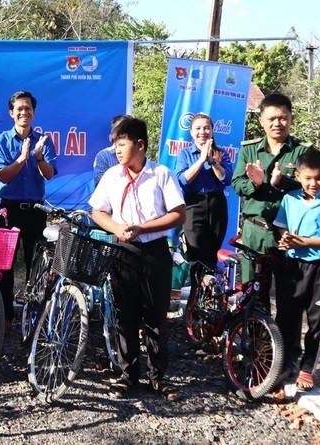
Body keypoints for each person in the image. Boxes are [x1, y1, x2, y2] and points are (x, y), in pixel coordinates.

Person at [89, 117, 186, 400]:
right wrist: (117, 228)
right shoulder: (112, 176)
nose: (117, 151)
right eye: (115, 146)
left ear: (140, 145)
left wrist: (144, 228)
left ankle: (158, 377)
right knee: (124, 314)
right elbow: (97, 211)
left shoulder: (161, 174)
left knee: (156, 315)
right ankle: (127, 375)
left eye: (122, 144)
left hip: (155, 251)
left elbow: (178, 213)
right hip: (122, 251)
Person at [273, 149, 320, 391]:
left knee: (316, 320)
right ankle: (283, 364)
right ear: (298, 176)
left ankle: (307, 368)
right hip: (293, 266)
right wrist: (285, 240)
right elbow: (282, 229)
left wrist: (305, 242)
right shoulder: (290, 199)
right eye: (307, 178)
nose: (313, 183)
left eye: (319, 178)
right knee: (286, 316)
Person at [231, 93, 314, 314]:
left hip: (288, 235)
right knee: (254, 295)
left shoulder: (303, 152)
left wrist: (283, 182)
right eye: (271, 118)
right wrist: (256, 185)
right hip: (254, 232)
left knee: (290, 295)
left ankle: (288, 348)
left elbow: (313, 187)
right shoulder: (249, 149)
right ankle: (258, 348)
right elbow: (237, 184)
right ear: (261, 121)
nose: (277, 123)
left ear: (291, 119)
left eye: (283, 117)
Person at [0, 91, 57, 329]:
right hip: (8, 210)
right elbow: (3, 176)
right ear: (11, 113)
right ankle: (6, 316)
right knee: (4, 266)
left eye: (28, 108)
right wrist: (21, 159)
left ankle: (34, 316)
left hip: (36, 211)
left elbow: (49, 174)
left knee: (36, 265)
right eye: (19, 108)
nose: (24, 112)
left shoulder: (43, 141)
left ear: (34, 112)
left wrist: (38, 158)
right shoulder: (0, 141)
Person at [174, 113, 233, 292]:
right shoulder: (185, 154)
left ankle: (209, 302)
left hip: (217, 204)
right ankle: (194, 304)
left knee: (212, 255)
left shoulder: (220, 153)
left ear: (212, 131)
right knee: (196, 254)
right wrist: (200, 160)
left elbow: (227, 179)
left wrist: (212, 161)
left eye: (207, 128)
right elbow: (182, 181)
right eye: (198, 128)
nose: (203, 132)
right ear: (191, 132)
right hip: (193, 205)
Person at [93, 114, 132, 188]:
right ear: (113, 132)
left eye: (128, 130)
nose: (124, 134)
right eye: (120, 130)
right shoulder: (103, 156)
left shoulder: (138, 155)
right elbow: (101, 187)